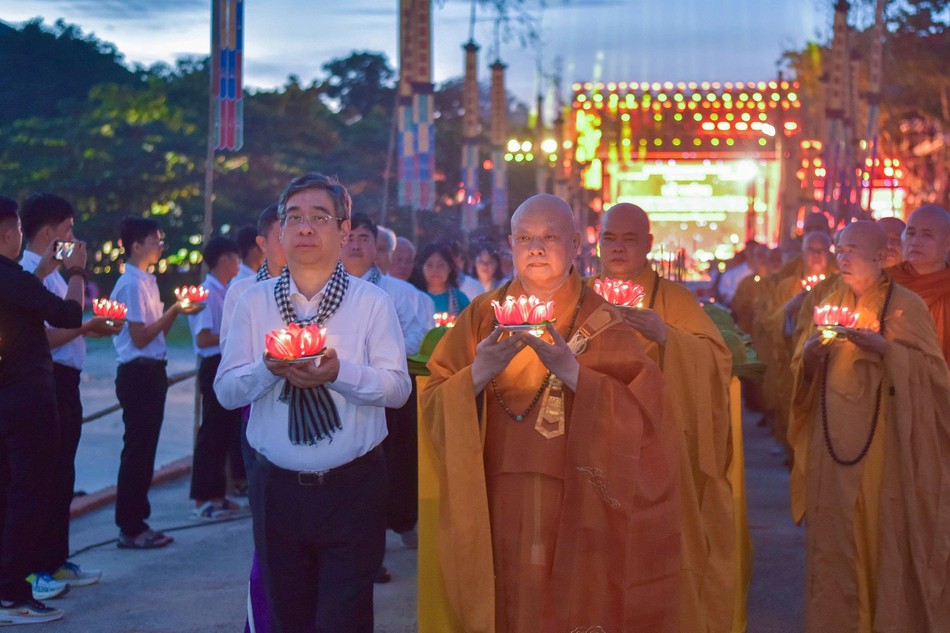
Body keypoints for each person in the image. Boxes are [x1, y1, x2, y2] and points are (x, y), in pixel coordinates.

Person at [420, 194, 679, 633]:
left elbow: (645, 413)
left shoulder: (605, 318)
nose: (535, 248)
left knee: (572, 601)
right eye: (525, 237)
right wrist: (479, 371)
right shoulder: (483, 315)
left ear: (577, 244)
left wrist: (575, 374)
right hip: (497, 490)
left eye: (549, 237)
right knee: (506, 601)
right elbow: (434, 399)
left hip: (581, 491)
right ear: (510, 244)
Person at [214, 173, 411, 633]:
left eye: (319, 217)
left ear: (342, 231)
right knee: (286, 617)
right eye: (294, 217)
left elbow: (397, 387)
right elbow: (226, 392)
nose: (305, 228)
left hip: (353, 489)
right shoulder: (253, 302)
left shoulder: (371, 303)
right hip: (276, 489)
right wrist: (269, 370)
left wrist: (339, 374)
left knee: (344, 619)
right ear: (278, 232)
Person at [789, 221, 950, 632]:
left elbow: (934, 376)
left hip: (883, 447)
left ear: (880, 257)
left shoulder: (906, 305)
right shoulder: (827, 301)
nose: (842, 257)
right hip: (831, 447)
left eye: (853, 250)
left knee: (880, 541)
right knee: (834, 547)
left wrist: (888, 351)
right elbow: (800, 371)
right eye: (840, 249)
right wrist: (809, 357)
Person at [596, 202, 742, 632]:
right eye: (610, 238)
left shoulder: (673, 299)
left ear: (648, 245)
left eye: (629, 239)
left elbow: (717, 360)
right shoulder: (580, 295)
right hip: (594, 441)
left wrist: (665, 335)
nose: (618, 248)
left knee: (657, 546)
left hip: (655, 445)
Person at [17, 193, 119, 601]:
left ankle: (56, 559)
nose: (75, 238)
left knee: (62, 476)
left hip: (67, 380)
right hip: (47, 379)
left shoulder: (57, 273)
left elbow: (69, 323)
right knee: (40, 478)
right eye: (69, 230)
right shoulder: (29, 272)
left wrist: (86, 326)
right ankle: (31, 569)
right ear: (48, 232)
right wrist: (84, 326)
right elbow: (44, 335)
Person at [0, 196, 85, 624]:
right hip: (27, 403)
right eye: (13, 230)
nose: (18, 236)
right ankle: (14, 594)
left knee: (8, 495)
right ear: (6, 233)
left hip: (6, 401)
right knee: (28, 496)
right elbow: (69, 315)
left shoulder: (16, 279)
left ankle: (8, 589)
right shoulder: (13, 278)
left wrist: (42, 274)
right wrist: (76, 272)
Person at [342, 213, 432, 581]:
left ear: (378, 248)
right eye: (350, 236)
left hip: (387, 390)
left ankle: (374, 551)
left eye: (366, 238)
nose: (357, 244)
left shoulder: (400, 292)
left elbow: (417, 336)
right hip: (340, 391)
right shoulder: (324, 288)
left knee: (382, 472)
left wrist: (377, 356)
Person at [219, 203, 286, 633]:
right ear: (262, 244)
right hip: (258, 418)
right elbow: (233, 369)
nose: (301, 237)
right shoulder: (244, 293)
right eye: (287, 230)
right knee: (271, 537)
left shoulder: (331, 291)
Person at [110, 216, 184, 549]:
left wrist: (171, 314)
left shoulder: (146, 281)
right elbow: (139, 337)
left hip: (151, 371)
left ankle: (138, 520)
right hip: (137, 372)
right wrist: (175, 310)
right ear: (136, 246)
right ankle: (131, 525)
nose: (160, 246)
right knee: (137, 451)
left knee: (145, 449)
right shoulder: (130, 284)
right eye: (155, 240)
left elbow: (155, 333)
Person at [188, 236, 246, 520]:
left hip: (226, 363)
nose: (239, 263)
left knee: (224, 432)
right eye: (236, 258)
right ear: (224, 260)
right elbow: (203, 335)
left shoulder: (226, 290)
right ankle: (201, 499)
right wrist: (234, 337)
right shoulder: (206, 293)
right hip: (213, 363)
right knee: (211, 433)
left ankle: (218, 495)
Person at [887, 205, 950, 364]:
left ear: (948, 243)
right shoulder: (885, 281)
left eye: (927, 235)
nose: (915, 242)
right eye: (911, 233)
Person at [416, 242, 470, 316]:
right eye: (430, 265)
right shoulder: (415, 298)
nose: (435, 270)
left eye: (441, 265)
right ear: (422, 268)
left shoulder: (460, 299)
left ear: (449, 268)